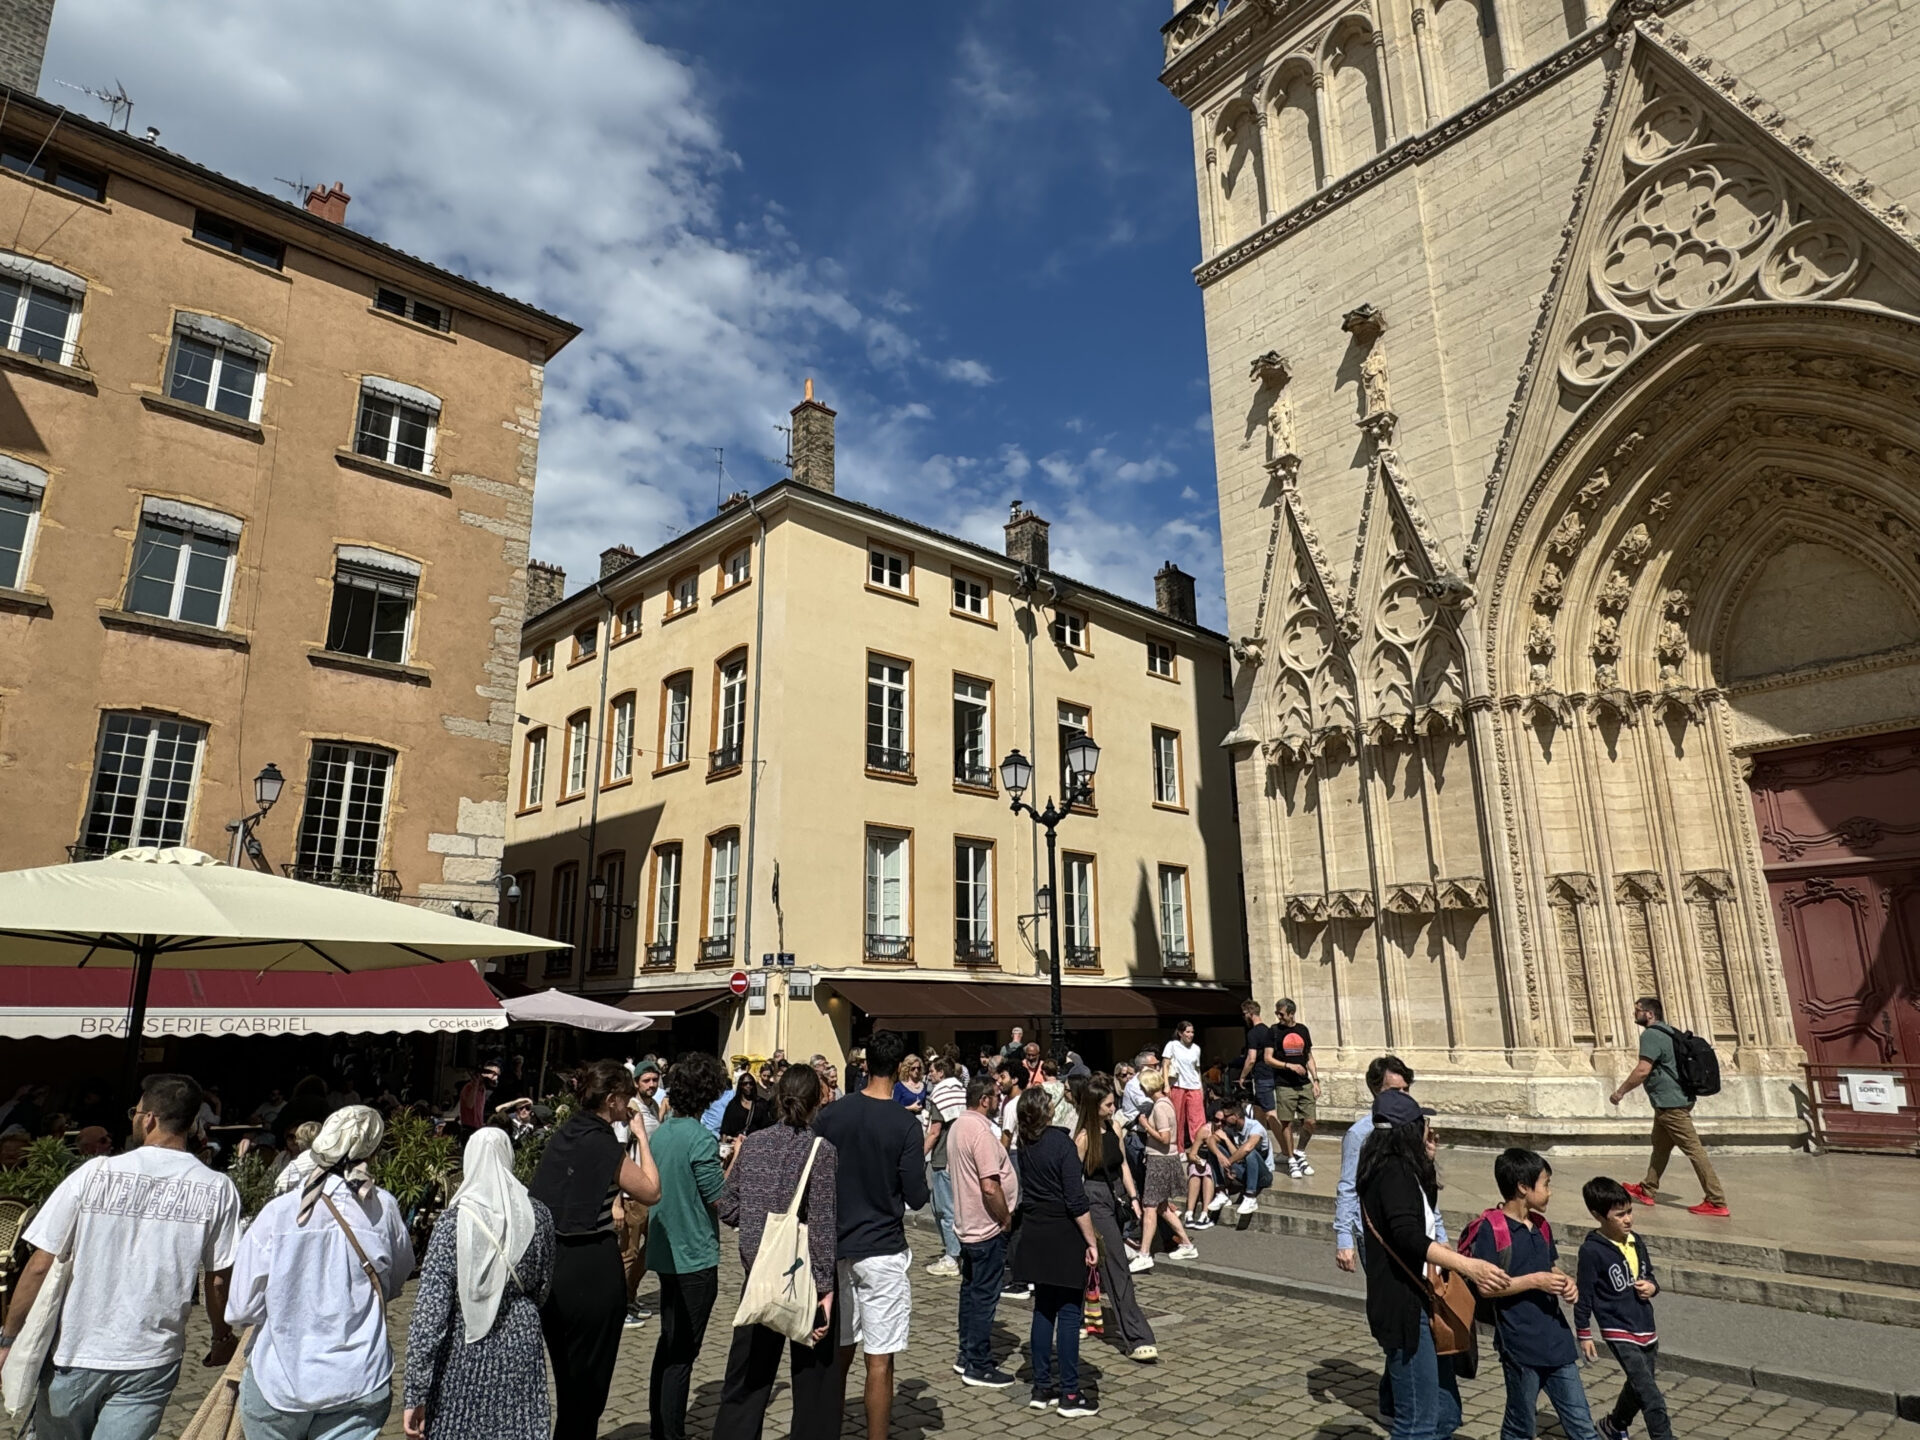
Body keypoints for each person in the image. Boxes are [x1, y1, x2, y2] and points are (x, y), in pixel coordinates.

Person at [4, 1074, 241, 1440]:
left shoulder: (95, 1173)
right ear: (192, 1122)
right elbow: (217, 1279)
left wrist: (8, 1339)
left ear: (149, 1118)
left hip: (75, 1350)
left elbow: (40, 1264)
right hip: (152, 1357)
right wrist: (221, 1335)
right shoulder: (218, 1188)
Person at [227, 1105, 415, 1440]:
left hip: (280, 1378)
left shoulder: (280, 1212)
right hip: (359, 1377)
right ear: (372, 1149)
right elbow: (397, 1279)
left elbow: (242, 1306)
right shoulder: (382, 1208)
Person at [1357, 1090, 1508, 1440]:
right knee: (1419, 1424)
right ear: (1406, 1129)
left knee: (1444, 1415)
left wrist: (1426, 1163)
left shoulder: (1398, 1167)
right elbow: (1408, 1236)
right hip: (1406, 1308)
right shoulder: (1391, 1172)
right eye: (1421, 1123)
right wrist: (1469, 1267)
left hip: (1424, 1302)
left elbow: (1417, 1214)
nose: (1428, 1129)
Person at [528, 1058, 662, 1440]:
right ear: (615, 1099)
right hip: (592, 1268)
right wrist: (642, 1137)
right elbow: (652, 1190)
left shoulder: (566, 1131)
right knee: (589, 1385)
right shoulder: (603, 1141)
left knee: (568, 1377)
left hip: (554, 1264)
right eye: (627, 1099)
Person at [811, 1029, 930, 1440]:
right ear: (898, 1069)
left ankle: (828, 1427)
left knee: (839, 1350)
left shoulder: (831, 1116)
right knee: (879, 1358)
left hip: (837, 1243)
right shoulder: (905, 1123)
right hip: (882, 1247)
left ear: (864, 1066)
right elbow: (916, 1196)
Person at [402, 1129, 556, 1440]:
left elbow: (430, 1313)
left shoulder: (451, 1223)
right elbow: (542, 1284)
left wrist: (415, 1392)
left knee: (460, 1426)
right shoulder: (537, 1215)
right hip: (520, 1337)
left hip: (464, 1342)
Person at [713, 1065, 840, 1440]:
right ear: (818, 1100)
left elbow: (728, 1207)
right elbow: (822, 1224)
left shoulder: (753, 1144)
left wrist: (755, 1216)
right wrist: (826, 1288)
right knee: (812, 1380)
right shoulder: (822, 1151)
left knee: (746, 1380)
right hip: (801, 1277)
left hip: (759, 1273)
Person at [1464, 1148, 1598, 1440]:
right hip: (1519, 1345)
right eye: (1546, 1184)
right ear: (1523, 1188)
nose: (1550, 1192)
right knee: (1520, 1425)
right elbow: (1486, 1288)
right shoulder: (1492, 1229)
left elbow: (1549, 1267)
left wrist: (1566, 1282)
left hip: (1557, 1340)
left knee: (1582, 1426)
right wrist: (1535, 1281)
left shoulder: (1542, 1226)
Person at [647, 1051, 730, 1440]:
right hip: (694, 1254)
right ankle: (671, 1432)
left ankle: (661, 1426)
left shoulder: (661, 1132)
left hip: (666, 1250)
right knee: (683, 1353)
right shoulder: (699, 1137)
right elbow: (719, 1199)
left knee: (669, 1343)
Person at [1009, 1087, 1100, 1417]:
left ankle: (1041, 1385)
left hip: (1035, 1231)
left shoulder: (1026, 1141)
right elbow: (1076, 1200)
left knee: (1043, 1310)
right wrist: (1091, 1241)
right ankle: (1070, 1393)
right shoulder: (1060, 1144)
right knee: (1069, 1313)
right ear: (1046, 1112)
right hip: (1062, 1231)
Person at [1610, 996, 1728, 1217]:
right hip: (1672, 1101)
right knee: (1661, 1146)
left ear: (1649, 1014)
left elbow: (1642, 1070)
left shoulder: (1651, 1035)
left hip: (1671, 1104)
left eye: (1637, 1011)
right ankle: (1647, 1188)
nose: (1634, 1014)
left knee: (1694, 1151)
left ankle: (1716, 1200)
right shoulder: (1669, 1031)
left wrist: (1620, 1092)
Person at [1575, 1177, 1670, 1440]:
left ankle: (1615, 1424)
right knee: (1652, 1397)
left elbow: (1649, 1274)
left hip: (1645, 1325)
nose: (1628, 1219)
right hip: (1618, 1329)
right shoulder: (1591, 1252)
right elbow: (1585, 1295)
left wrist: (1652, 1286)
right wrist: (1584, 1333)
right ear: (1598, 1216)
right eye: (1620, 1215)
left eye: (1629, 1211)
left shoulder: (1636, 1241)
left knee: (1639, 1386)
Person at [1072, 1079, 1157, 1363]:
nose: (1114, 1108)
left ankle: (1079, 1315)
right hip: (1093, 1199)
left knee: (1092, 1261)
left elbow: (1122, 1165)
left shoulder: (1115, 1128)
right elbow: (1073, 1179)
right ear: (1094, 1107)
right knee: (1117, 1265)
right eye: (1108, 1104)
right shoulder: (1083, 1139)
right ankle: (1137, 1336)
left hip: (1116, 1196)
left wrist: (1134, 1198)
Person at [1335, 1056, 1445, 1272]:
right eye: (1396, 1091)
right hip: (1378, 1235)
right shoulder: (1359, 1134)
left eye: (1406, 1089)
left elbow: (1421, 1188)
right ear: (1376, 1090)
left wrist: (1440, 1233)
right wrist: (1344, 1240)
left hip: (1414, 1229)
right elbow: (1348, 1187)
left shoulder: (1412, 1127)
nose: (1404, 1096)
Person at [947, 1075, 1018, 1386]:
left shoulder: (959, 1125)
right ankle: (978, 1362)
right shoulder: (979, 1131)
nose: (999, 1101)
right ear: (985, 1099)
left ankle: (966, 1354)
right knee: (984, 1297)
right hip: (986, 1226)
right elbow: (990, 1186)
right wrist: (1004, 1218)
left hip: (968, 1224)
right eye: (995, 1096)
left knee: (970, 1293)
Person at [1131, 1069, 1198, 1264]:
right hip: (1163, 1159)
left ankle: (1144, 1254)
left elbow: (1165, 1138)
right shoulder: (1164, 1102)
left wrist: (1145, 1125)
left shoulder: (1159, 1106)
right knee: (1161, 1207)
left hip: (1160, 1160)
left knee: (1150, 1206)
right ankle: (1187, 1244)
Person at [923, 1057, 965, 1278]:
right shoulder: (961, 1090)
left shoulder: (940, 1093)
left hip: (943, 1156)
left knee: (945, 1208)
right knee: (949, 1206)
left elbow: (934, 1130)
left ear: (941, 1072)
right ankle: (956, 1251)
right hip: (959, 1155)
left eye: (932, 1070)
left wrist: (919, 1155)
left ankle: (952, 1256)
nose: (929, 1074)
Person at [1267, 998, 1319, 1177]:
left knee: (1310, 1121)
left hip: (1304, 1083)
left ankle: (1300, 1152)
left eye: (1281, 1013)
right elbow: (1268, 1058)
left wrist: (1316, 1080)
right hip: (1284, 1084)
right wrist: (1288, 1066)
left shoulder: (1302, 1030)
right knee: (1286, 1122)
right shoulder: (1273, 1031)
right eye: (1277, 1013)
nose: (1278, 1016)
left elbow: (1309, 1056)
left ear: (1291, 1013)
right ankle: (1290, 1159)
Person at [1201, 1098, 1273, 1217]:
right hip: (1243, 1171)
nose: (1223, 1119)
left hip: (1262, 1176)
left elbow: (1247, 1148)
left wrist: (1228, 1163)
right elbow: (1210, 1140)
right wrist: (1220, 1156)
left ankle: (1250, 1197)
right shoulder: (1230, 1128)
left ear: (1236, 1116)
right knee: (1213, 1149)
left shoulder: (1256, 1127)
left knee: (1250, 1152)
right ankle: (1221, 1192)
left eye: (1226, 1116)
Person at [1237, 999, 1279, 1139]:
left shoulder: (1253, 1033)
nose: (1244, 1017)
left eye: (1244, 1014)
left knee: (1270, 1114)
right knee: (1258, 1111)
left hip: (1262, 1077)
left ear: (1249, 1013)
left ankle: (1287, 1151)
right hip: (1272, 1075)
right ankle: (1261, 1143)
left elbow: (1251, 1059)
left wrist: (1243, 1076)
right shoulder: (1269, 1031)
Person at [1161, 1021, 1204, 1151]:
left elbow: (1197, 1069)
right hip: (1178, 1085)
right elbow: (1165, 1064)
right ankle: (1178, 1148)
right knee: (1178, 1118)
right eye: (1187, 1032)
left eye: (1192, 1032)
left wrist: (1201, 1087)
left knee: (1198, 1118)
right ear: (1180, 1033)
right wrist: (1166, 1085)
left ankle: (1197, 1148)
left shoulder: (1196, 1048)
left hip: (1194, 1085)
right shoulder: (1172, 1045)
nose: (1190, 1035)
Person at [458, 1063, 499, 1139]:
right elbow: (469, 1105)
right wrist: (475, 1086)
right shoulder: (469, 1087)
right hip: (468, 1128)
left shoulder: (483, 1090)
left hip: (478, 1128)